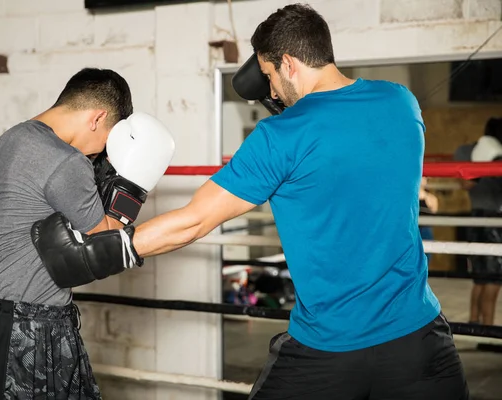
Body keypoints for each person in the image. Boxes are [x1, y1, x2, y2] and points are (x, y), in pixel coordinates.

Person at [31, 4, 469, 399]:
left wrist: (100, 252)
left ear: (290, 64)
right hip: (421, 341)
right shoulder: (401, 102)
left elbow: (194, 221)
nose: (272, 93)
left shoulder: (280, 136)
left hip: (328, 350)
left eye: (272, 77)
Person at [0, 67, 175, 399]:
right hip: (33, 333)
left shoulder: (7, 141)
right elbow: (105, 244)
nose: (101, 153)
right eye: (106, 140)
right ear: (96, 118)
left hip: (1, 324)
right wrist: (132, 186)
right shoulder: (64, 162)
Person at [454, 117, 502, 327]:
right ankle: (488, 333)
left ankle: (475, 323)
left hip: (478, 217)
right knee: (491, 279)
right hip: (491, 219)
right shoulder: (472, 151)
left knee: (482, 278)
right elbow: (466, 184)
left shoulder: (468, 151)